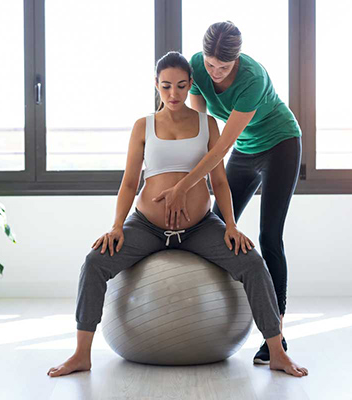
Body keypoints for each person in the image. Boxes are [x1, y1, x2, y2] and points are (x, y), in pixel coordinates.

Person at [47, 52, 307, 378]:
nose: (173, 94)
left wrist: (230, 225)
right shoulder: (143, 126)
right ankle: (81, 354)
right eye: (166, 86)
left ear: (190, 86)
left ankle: (277, 352)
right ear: (155, 85)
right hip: (146, 226)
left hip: (199, 227)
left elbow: (221, 182)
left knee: (252, 262)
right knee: (95, 261)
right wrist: (116, 226)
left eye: (181, 86)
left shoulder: (206, 123)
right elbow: (129, 183)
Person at [151, 22, 302, 365]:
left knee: (269, 236)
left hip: (280, 145)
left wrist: (184, 186)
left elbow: (219, 147)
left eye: (224, 67)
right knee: (213, 224)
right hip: (245, 153)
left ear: (236, 61)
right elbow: (198, 130)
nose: (215, 73)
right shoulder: (196, 69)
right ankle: (204, 309)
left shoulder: (252, 78)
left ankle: (275, 336)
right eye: (209, 64)